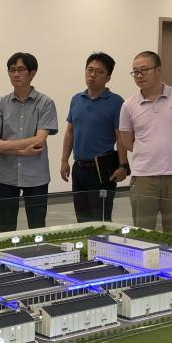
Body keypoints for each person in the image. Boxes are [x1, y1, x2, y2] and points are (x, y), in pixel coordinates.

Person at [118, 51, 172, 232]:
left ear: (158, 70)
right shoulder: (128, 105)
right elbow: (127, 141)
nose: (139, 75)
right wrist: (148, 149)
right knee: (143, 231)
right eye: (135, 72)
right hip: (144, 177)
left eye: (144, 70)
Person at [0, 52, 59, 232]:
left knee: (37, 228)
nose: (15, 74)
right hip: (6, 176)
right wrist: (20, 151)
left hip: (36, 176)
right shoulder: (0, 104)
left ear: (32, 73)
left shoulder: (45, 103)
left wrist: (4, 145)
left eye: (20, 70)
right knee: (6, 228)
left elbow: (39, 140)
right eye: (12, 70)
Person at [60, 52, 127, 222]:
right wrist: (64, 160)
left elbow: (120, 137)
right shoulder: (76, 99)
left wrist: (123, 166)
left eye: (99, 71)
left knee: (101, 219)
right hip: (79, 168)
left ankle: (103, 241)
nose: (92, 75)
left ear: (108, 77)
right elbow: (70, 132)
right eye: (89, 70)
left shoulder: (116, 102)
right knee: (82, 219)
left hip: (102, 170)